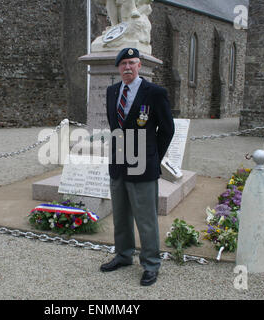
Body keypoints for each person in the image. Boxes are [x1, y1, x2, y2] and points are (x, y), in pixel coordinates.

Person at [100, 48, 175, 286]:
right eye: (123, 64)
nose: (127, 67)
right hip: (119, 164)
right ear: (118, 68)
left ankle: (151, 264)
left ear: (139, 65)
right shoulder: (112, 91)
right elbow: (115, 127)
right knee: (121, 215)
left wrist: (152, 156)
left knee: (146, 219)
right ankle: (123, 255)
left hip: (143, 165)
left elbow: (167, 130)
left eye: (132, 63)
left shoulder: (154, 93)